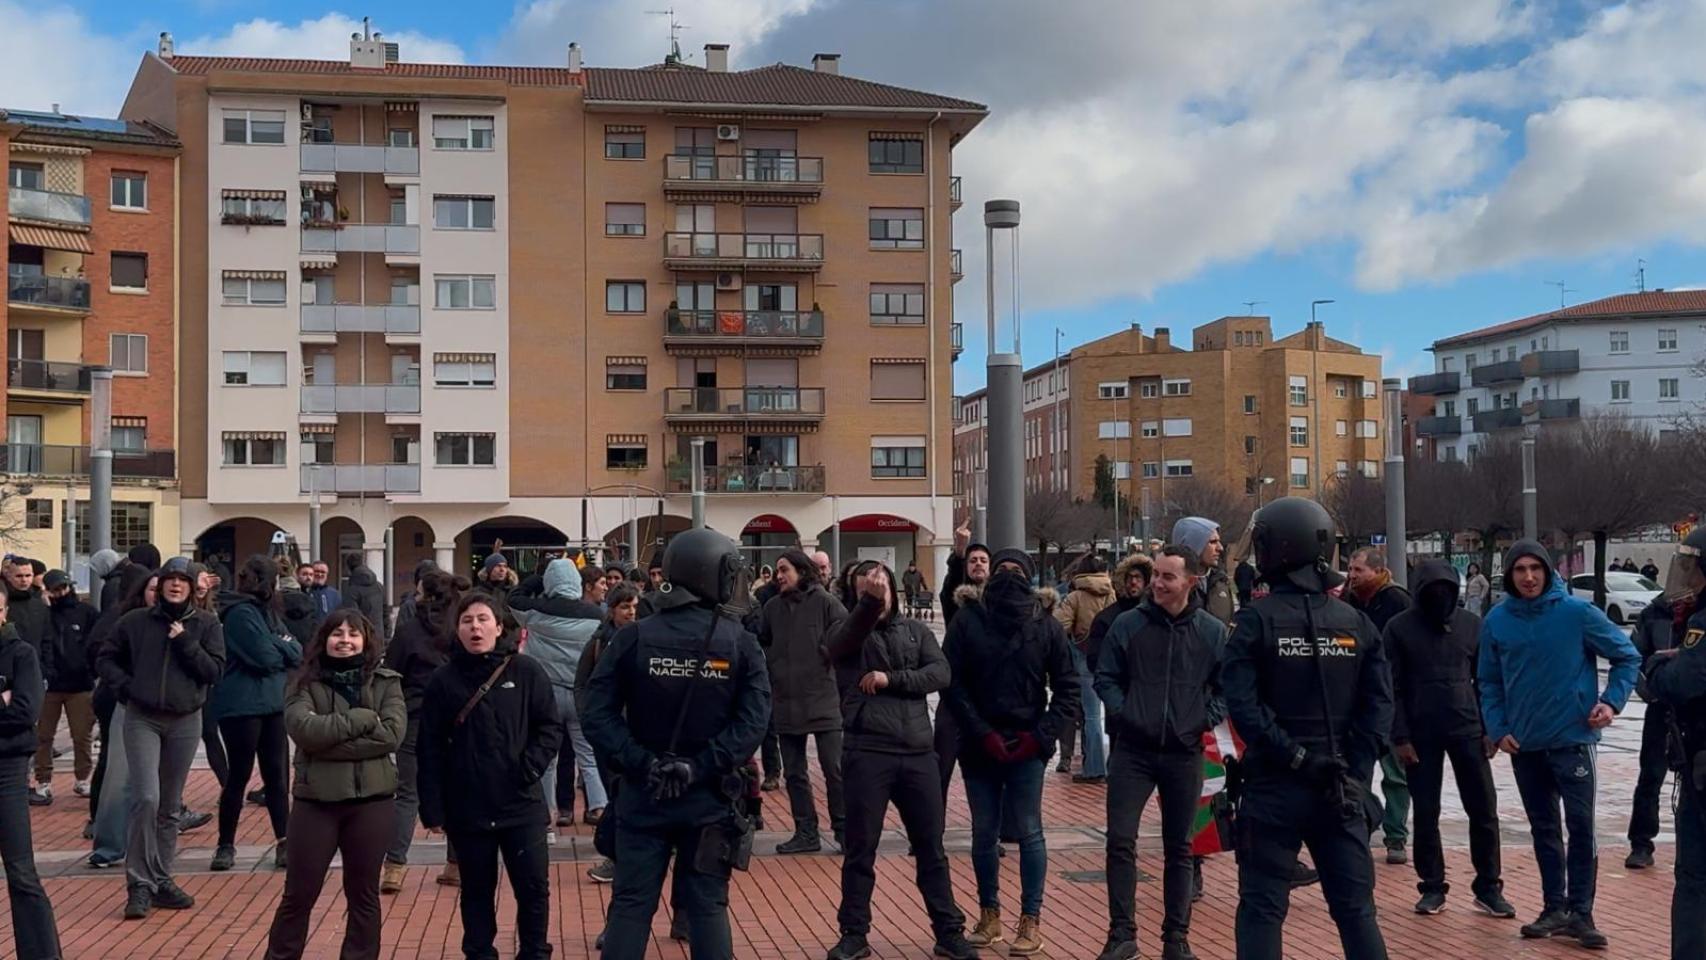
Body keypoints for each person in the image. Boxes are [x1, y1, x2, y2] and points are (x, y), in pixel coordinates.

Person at [585, 528, 771, 960]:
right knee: (707, 908)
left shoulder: (634, 636)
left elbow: (597, 712)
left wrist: (640, 762)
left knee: (630, 908)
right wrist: (700, 766)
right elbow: (753, 723)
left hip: (642, 795)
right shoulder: (740, 643)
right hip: (707, 797)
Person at [1221, 497, 1391, 960]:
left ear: (1273, 548)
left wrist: (1295, 757)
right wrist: (1354, 771)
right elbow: (1379, 708)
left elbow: (1244, 707)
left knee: (1261, 909)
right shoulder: (1356, 622)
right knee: (1357, 912)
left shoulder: (1254, 621)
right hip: (1341, 790)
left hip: (1276, 786)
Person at [1478, 539, 1640, 949]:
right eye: (1520, 570)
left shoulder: (1577, 613)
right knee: (1544, 828)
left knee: (1581, 827)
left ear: (1548, 572)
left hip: (1573, 739)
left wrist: (1611, 702)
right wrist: (1498, 728)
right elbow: (1489, 681)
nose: (1529, 577)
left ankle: (1581, 912)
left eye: (1536, 569)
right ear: (1510, 576)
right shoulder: (1497, 621)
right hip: (1525, 744)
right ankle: (1553, 907)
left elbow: (1627, 656)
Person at [822, 560, 976, 960]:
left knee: (931, 848)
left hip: (917, 752)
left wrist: (893, 680)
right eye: (867, 591)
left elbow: (940, 673)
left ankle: (948, 930)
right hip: (867, 752)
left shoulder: (916, 631)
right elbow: (840, 644)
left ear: (895, 588)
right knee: (860, 850)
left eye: (882, 588)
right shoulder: (848, 633)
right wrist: (866, 607)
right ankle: (854, 934)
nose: (877, 595)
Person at [944, 548, 1080, 956]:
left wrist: (1040, 737)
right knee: (984, 832)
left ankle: (1030, 919)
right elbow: (951, 683)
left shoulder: (1047, 625)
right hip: (979, 744)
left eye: (1016, 570)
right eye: (1000, 569)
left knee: (1029, 832)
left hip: (1027, 744)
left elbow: (1068, 686)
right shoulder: (967, 621)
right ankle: (989, 914)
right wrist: (981, 731)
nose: (1007, 576)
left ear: (1031, 577)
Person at [1095, 545, 1226, 960]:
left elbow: (1228, 687)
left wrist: (1203, 719)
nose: (1157, 583)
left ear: (1190, 582)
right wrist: (1125, 713)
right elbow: (1106, 677)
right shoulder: (1128, 625)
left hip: (1184, 753)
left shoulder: (1210, 631)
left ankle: (1176, 938)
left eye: (1168, 577)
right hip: (1132, 751)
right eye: (1156, 575)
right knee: (1120, 840)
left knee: (1180, 848)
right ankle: (1122, 934)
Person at [419, 593, 563, 960]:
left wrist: (530, 766)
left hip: (521, 804)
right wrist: (432, 807)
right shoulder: (443, 680)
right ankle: (479, 952)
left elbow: (549, 726)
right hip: (469, 807)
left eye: (483, 619)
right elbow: (429, 746)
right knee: (477, 891)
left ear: (499, 628)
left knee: (533, 889)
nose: (475, 627)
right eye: (467, 621)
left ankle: (534, 952)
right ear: (458, 629)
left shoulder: (526, 672)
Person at [265, 610, 405, 960]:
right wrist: (361, 718)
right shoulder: (302, 683)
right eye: (337, 634)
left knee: (363, 896)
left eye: (353, 634)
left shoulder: (387, 681)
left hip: (371, 803)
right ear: (323, 639)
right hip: (316, 803)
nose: (345, 641)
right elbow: (305, 733)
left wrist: (329, 741)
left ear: (366, 640)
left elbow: (391, 735)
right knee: (298, 894)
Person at [98, 556, 226, 920]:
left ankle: (161, 879)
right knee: (146, 798)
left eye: (181, 580)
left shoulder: (206, 624)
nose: (174, 585)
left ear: (191, 587)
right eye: (168, 579)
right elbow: (105, 658)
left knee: (169, 806)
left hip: (186, 720)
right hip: (143, 718)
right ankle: (139, 883)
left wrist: (185, 642)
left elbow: (215, 671)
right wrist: (127, 687)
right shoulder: (134, 622)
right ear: (158, 584)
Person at [1385, 559, 1511, 918]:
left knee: (1484, 809)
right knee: (1426, 812)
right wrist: (1400, 735)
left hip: (1468, 728)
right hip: (1419, 734)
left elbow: (1486, 681)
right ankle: (1432, 885)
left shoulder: (1472, 625)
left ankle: (1489, 885)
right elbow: (1390, 686)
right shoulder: (1398, 629)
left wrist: (1490, 729)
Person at [209, 555, 303, 872]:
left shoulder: (267, 613)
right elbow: (265, 657)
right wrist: (280, 645)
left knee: (277, 776)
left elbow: (297, 649)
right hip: (241, 706)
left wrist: (279, 644)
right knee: (239, 775)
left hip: (272, 704)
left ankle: (285, 841)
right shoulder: (239, 614)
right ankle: (225, 844)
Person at [1641, 525, 1706, 960]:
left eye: (1692, 568)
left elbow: (1683, 681)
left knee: (1695, 878)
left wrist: (1659, 668)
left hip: (1702, 769)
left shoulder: (1701, 622)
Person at [758, 549, 848, 853]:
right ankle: (805, 831)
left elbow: (846, 639)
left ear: (801, 571)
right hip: (786, 700)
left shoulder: (826, 602)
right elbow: (762, 643)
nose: (780, 576)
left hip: (823, 698)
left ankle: (844, 830)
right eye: (778, 570)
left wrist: (826, 655)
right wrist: (774, 665)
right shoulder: (771, 608)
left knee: (833, 768)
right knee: (794, 773)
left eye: (785, 570)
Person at [510, 557, 608, 830]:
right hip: (580, 693)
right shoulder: (596, 616)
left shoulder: (535, 612)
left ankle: (547, 812)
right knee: (588, 755)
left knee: (547, 757)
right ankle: (599, 806)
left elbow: (513, 597)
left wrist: (542, 577)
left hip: (546, 695)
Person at [381, 569, 461, 891]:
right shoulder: (460, 628)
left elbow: (391, 672)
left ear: (424, 595)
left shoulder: (409, 631)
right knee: (458, 793)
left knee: (407, 794)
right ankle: (456, 865)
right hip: (457, 719)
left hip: (415, 717)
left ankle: (394, 867)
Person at [0, 587, 63, 959]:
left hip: (7, 772)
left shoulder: (20, 654)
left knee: (21, 872)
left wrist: (9, 703)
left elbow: (24, 713)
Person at [1343, 547, 1413, 865]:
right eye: (1350, 569)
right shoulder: (1349, 600)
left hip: (1392, 697)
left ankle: (1396, 835)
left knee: (1395, 773)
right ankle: (1359, 827)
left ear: (1377, 570)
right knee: (1358, 769)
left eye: (1358, 570)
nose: (1352, 575)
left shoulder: (1397, 601)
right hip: (1356, 698)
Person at [936, 526, 993, 805]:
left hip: (986, 694)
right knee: (941, 764)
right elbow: (949, 590)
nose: (978, 564)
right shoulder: (956, 601)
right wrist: (958, 555)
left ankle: (990, 835)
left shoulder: (997, 600)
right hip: (953, 691)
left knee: (986, 770)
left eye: (983, 560)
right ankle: (930, 836)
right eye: (973, 560)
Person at [34, 570, 97, 807]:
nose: (61, 592)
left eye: (63, 588)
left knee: (82, 735)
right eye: (55, 589)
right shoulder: (44, 614)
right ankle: (43, 780)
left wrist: (91, 671)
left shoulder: (87, 613)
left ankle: (83, 778)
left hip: (80, 683)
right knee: (44, 735)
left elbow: (95, 643)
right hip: (50, 684)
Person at [1627, 586, 1678, 870]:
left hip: (1696, 707)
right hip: (1660, 707)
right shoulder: (1654, 613)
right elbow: (1634, 658)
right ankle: (1641, 841)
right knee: (1651, 775)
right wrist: (1651, 691)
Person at [1054, 555, 1114, 781]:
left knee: (1091, 716)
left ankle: (1094, 767)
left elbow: (1061, 625)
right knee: (1111, 712)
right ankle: (1112, 765)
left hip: (1084, 657)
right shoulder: (1112, 593)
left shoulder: (1075, 596)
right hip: (1110, 658)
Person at [1172, 517, 1234, 627]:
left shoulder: (1221, 583)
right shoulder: (1169, 587)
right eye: (1213, 542)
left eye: (1219, 542)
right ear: (1193, 545)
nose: (1220, 548)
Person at [342, 554, 388, 637]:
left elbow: (352, 616)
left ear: (349, 568)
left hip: (361, 637)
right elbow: (386, 613)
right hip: (378, 635)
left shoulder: (351, 590)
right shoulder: (379, 586)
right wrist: (387, 636)